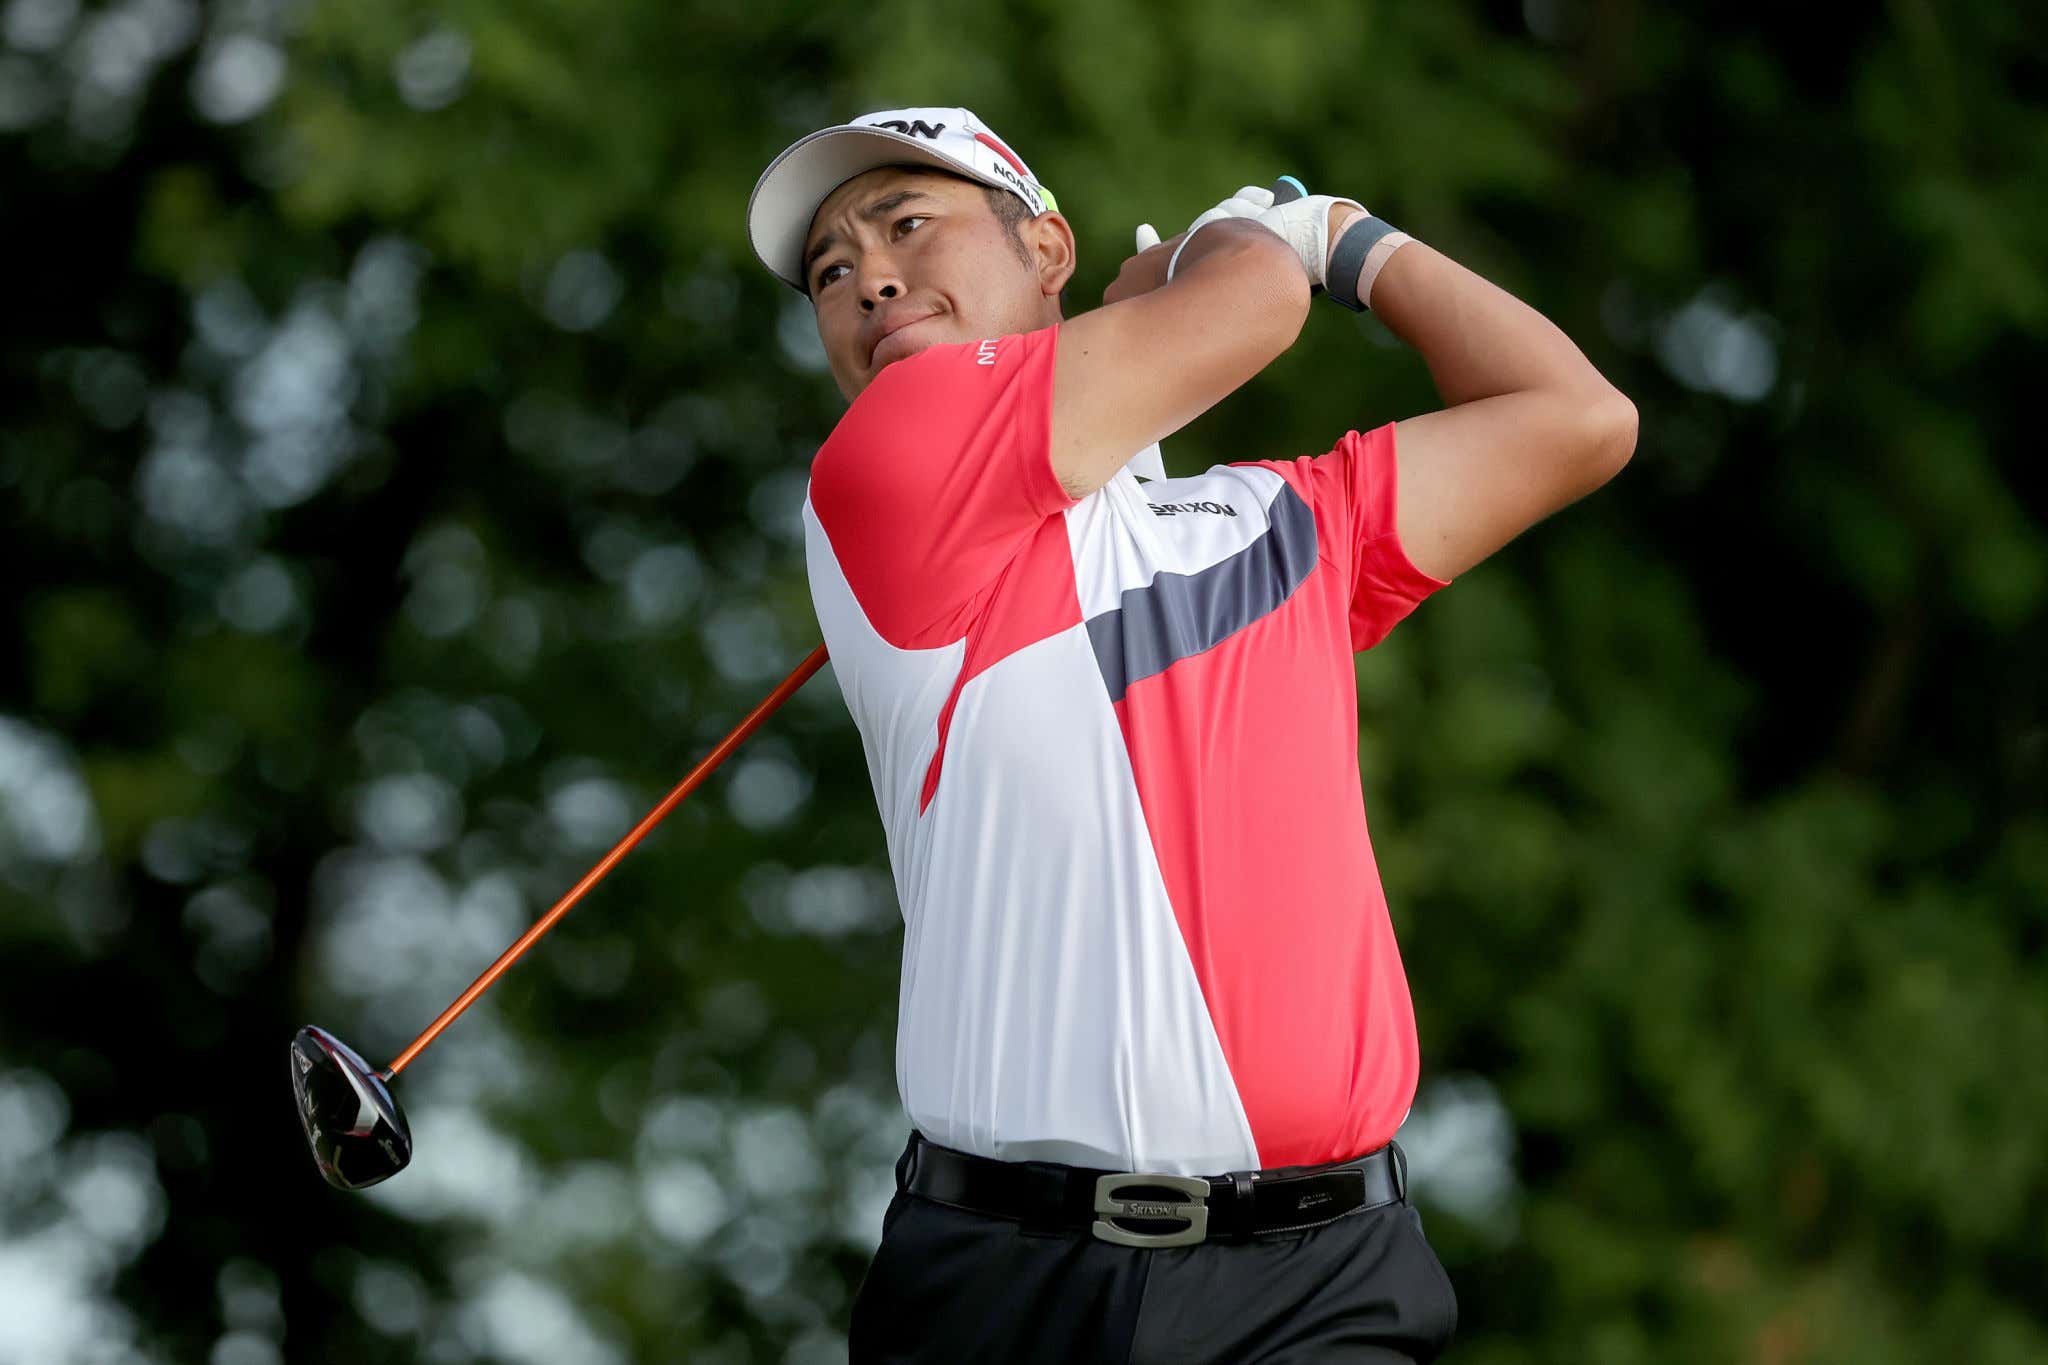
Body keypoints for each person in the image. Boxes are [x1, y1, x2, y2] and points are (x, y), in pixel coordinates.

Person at [745, 106, 1635, 1363]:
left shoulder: (1274, 526)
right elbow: (1253, 308)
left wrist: (1351, 237)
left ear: (1047, 251)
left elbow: (1577, 417)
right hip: (1007, 1286)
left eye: (905, 224)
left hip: (1321, 1283)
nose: (868, 276)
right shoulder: (884, 461)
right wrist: (1255, 240)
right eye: (829, 271)